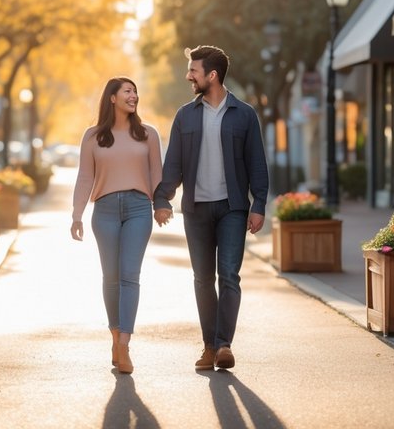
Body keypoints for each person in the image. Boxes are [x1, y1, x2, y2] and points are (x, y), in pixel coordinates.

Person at [154, 45, 269, 372]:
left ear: (212, 75)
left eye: (194, 70)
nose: (189, 75)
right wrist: (162, 198)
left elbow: (256, 164)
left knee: (229, 276)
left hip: (232, 208)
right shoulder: (185, 115)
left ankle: (224, 345)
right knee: (202, 279)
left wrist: (258, 203)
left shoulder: (244, 114)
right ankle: (209, 346)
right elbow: (173, 163)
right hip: (196, 210)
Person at [71, 76, 164, 374]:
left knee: (129, 275)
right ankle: (114, 335)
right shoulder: (93, 136)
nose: (133, 95)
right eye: (127, 91)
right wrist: (77, 214)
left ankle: (124, 344)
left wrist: (161, 205)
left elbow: (157, 174)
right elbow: (85, 177)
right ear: (112, 97)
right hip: (105, 210)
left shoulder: (148, 134)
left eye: (136, 91)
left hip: (138, 208)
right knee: (110, 277)